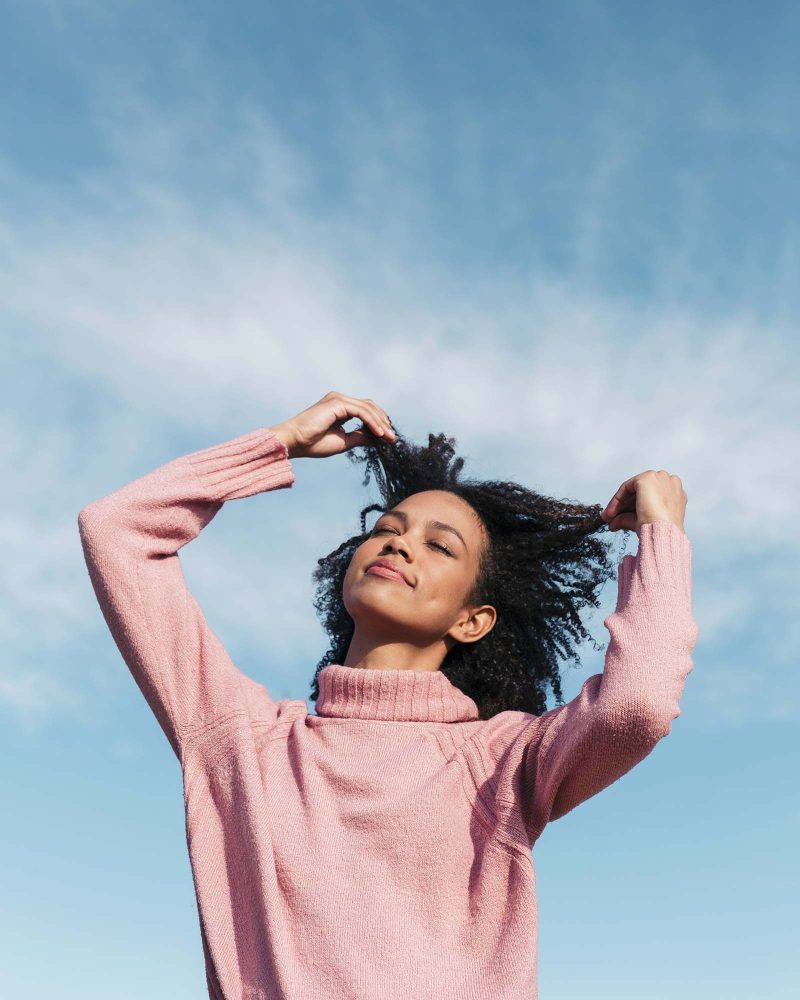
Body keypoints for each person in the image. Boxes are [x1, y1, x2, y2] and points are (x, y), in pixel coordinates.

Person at [78, 390, 699, 1000]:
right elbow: (118, 530)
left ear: (471, 620)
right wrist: (279, 443)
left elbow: (637, 705)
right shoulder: (243, 741)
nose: (398, 543)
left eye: (439, 545)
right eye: (386, 530)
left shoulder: (498, 763)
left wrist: (661, 535)